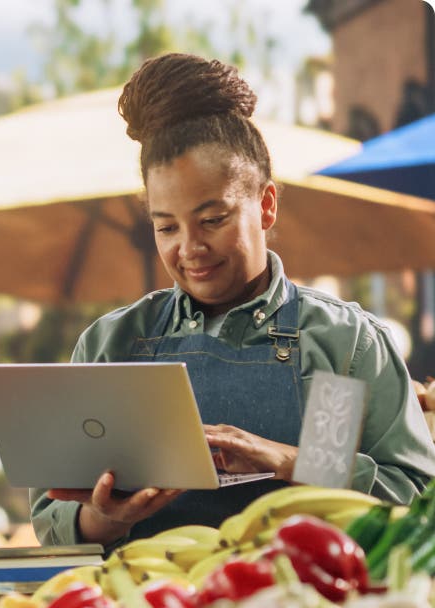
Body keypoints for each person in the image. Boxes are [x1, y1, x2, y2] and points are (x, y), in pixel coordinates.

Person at [31, 53, 435, 551]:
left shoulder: (337, 345)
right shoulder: (114, 344)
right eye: (166, 227)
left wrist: (289, 460)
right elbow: (51, 518)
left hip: (306, 607)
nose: (190, 248)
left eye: (212, 219)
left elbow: (415, 502)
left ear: (265, 204)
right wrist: (104, 516)